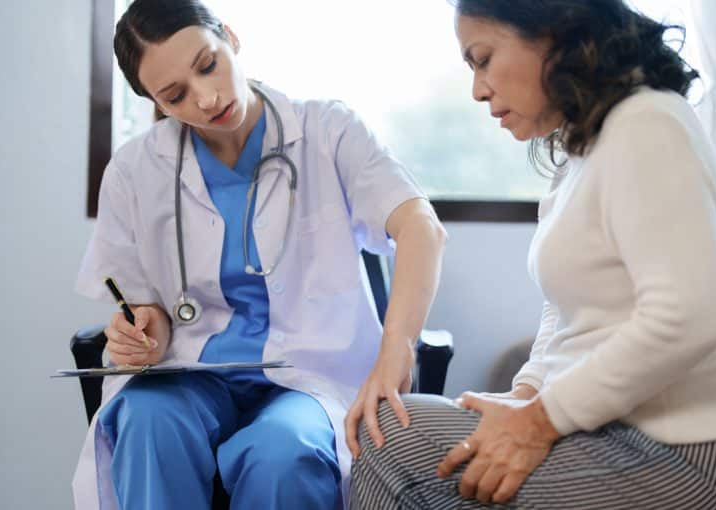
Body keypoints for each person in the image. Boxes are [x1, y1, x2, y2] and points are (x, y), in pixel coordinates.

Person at [349, 1, 716, 508]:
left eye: (483, 59)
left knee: (393, 436)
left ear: (552, 31)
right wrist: (527, 393)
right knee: (393, 428)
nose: (477, 89)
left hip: (695, 455)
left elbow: (692, 316)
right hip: (615, 432)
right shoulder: (578, 155)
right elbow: (566, 310)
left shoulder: (647, 123)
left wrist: (541, 421)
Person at [72, 1, 447, 509]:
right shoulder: (136, 170)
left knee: (283, 452)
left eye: (208, 65)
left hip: (309, 379)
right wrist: (144, 332)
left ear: (229, 36)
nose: (206, 99)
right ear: (152, 101)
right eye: (175, 95)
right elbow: (145, 308)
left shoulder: (327, 131)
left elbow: (420, 227)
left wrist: (397, 348)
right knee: (146, 421)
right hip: (192, 374)